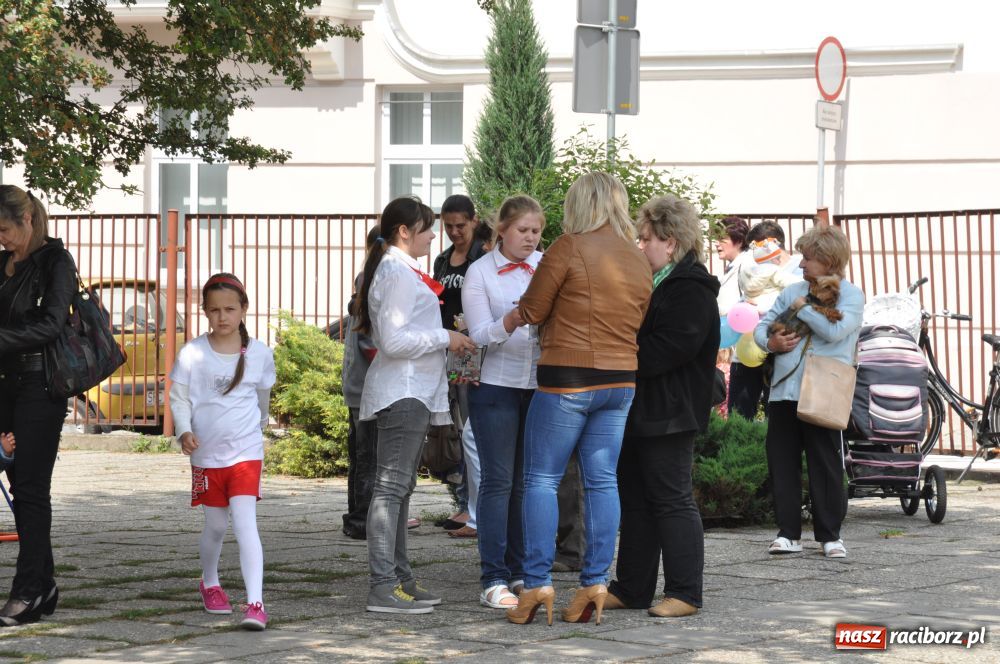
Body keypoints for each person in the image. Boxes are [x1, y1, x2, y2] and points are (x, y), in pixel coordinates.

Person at [508, 172, 652, 626]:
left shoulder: (568, 246)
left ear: (579, 204)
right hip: (620, 379)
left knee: (541, 480)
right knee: (602, 480)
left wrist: (509, 318)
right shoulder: (636, 255)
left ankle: (535, 586)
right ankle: (594, 582)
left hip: (567, 377)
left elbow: (533, 308)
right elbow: (639, 317)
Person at [355, 196, 476, 614]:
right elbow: (393, 341)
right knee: (391, 489)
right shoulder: (397, 273)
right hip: (403, 390)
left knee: (399, 489)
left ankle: (400, 579)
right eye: (426, 228)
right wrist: (447, 337)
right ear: (404, 232)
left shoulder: (398, 269)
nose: (433, 235)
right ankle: (383, 586)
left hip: (412, 390)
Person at [605, 195, 720, 618]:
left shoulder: (691, 288)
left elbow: (670, 347)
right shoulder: (658, 282)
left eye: (646, 238)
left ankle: (686, 593)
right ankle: (633, 588)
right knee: (635, 500)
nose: (640, 245)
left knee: (671, 500)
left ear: (670, 243)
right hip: (642, 409)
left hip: (670, 412)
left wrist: (619, 349)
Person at [170, 273, 276, 631]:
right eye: (214, 310)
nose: (222, 317)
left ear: (244, 309)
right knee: (215, 525)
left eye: (230, 308)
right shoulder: (192, 353)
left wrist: (257, 428)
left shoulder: (259, 353)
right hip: (206, 456)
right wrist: (184, 430)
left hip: (246, 453)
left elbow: (263, 400)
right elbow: (179, 397)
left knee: (246, 524)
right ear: (205, 312)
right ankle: (210, 582)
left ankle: (256, 602)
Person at [753, 225, 863, 559]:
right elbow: (761, 327)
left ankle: (830, 536)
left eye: (809, 258)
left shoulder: (851, 295)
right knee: (782, 462)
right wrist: (770, 342)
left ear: (829, 260)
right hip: (785, 390)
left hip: (825, 389)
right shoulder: (792, 291)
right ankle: (788, 534)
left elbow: (837, 331)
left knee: (826, 465)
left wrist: (803, 309)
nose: (801, 264)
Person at [461, 195, 544, 609]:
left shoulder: (546, 266)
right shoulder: (479, 272)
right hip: (494, 384)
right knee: (497, 481)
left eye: (536, 231)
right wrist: (512, 320)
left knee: (528, 482)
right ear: (502, 231)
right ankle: (492, 577)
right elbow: (477, 335)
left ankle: (519, 570)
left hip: (538, 384)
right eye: (522, 231)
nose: (530, 238)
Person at [0, 185, 76, 627]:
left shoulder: (55, 262)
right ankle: (42, 584)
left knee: (29, 487)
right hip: (6, 385)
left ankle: (29, 589)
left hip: (40, 386)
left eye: (6, 229)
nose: (2, 238)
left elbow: (51, 324)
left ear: (27, 219)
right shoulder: (3, 264)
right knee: (19, 482)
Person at [432, 194, 487, 536]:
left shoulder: (483, 257)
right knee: (454, 426)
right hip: (445, 345)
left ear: (474, 221)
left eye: (460, 225)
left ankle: (473, 509)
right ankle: (463, 503)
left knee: (470, 429)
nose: (454, 232)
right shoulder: (442, 260)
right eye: (448, 226)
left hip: (471, 349)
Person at [728, 221, 802, 420]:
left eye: (756, 247)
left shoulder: (800, 269)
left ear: (774, 243)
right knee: (739, 413)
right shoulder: (751, 268)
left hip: (781, 353)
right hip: (747, 350)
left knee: (777, 417)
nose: (753, 253)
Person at [341, 226, 381, 540]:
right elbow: (370, 343)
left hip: (357, 385)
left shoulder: (363, 281)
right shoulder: (373, 283)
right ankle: (363, 519)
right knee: (368, 456)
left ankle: (357, 516)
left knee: (360, 455)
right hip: (369, 385)